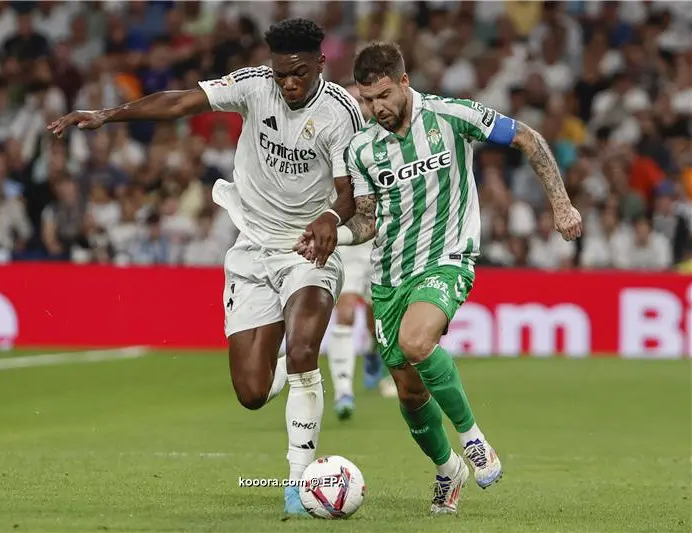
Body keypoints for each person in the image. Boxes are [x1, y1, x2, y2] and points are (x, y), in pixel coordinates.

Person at [47, 18, 365, 518]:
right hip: (252, 247)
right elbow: (179, 101)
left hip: (307, 249)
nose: (288, 83)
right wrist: (106, 115)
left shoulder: (342, 113)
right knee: (252, 393)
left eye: (298, 73)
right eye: (281, 73)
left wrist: (329, 215)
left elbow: (350, 192)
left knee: (305, 349)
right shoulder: (253, 86)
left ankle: (298, 483)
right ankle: (284, 364)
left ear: (321, 62)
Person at [296, 42, 583, 514]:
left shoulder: (450, 116)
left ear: (404, 81)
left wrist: (560, 203)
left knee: (416, 340)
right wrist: (335, 238)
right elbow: (367, 219)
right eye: (366, 100)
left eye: (383, 96)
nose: (375, 108)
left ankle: (473, 440)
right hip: (389, 274)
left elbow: (528, 138)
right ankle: (449, 469)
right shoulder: (362, 147)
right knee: (410, 393)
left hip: (447, 257)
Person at [325, 83, 383, 421]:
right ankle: (344, 391)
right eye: (353, 101)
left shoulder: (380, 137)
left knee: (377, 321)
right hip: (347, 237)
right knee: (345, 311)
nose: (359, 107)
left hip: (375, 238)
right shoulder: (332, 136)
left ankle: (374, 353)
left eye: (362, 100)